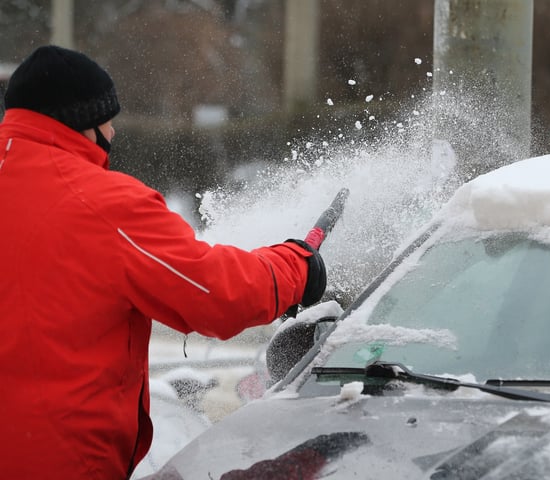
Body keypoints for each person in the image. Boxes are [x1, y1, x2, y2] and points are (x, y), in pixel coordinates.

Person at [0, 45, 327, 479]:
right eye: (110, 120)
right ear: (86, 122)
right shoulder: (102, 205)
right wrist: (296, 266)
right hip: (56, 463)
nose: (114, 133)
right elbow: (216, 292)